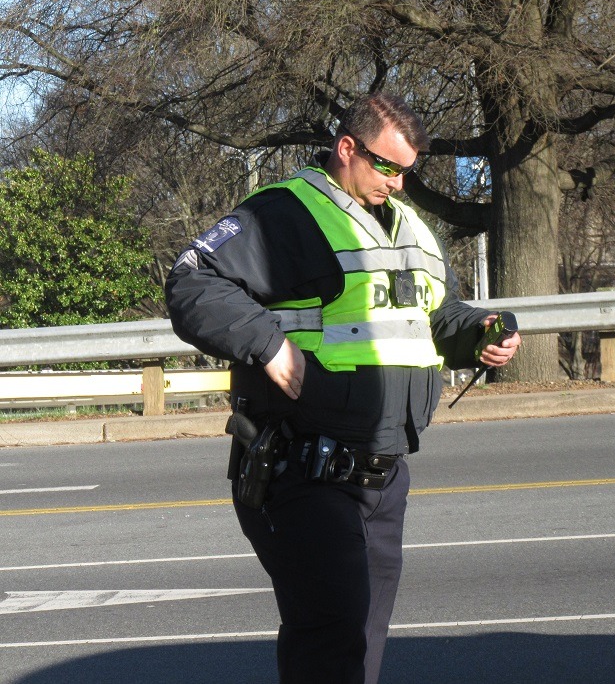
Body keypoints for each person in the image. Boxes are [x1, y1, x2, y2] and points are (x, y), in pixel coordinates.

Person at [165, 92, 520, 684]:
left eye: (407, 170)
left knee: (361, 638)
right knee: (331, 637)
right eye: (387, 166)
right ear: (347, 148)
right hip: (305, 468)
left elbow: (437, 316)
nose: (399, 184)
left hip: (384, 471)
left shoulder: (409, 227)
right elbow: (191, 280)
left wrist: (479, 335)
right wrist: (269, 344)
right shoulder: (286, 213)